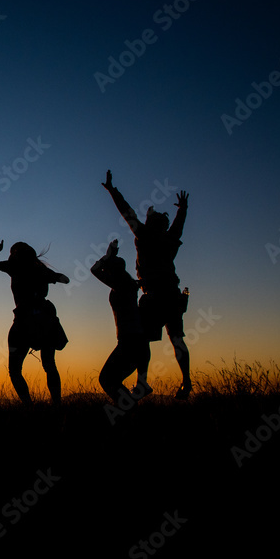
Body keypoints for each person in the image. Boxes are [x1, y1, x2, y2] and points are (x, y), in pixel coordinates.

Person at [102, 170, 191, 399]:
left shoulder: (144, 235)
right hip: (172, 295)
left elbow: (126, 212)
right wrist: (182, 209)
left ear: (150, 223)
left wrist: (113, 190)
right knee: (177, 339)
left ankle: (142, 382)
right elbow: (178, 226)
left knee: (142, 339)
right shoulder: (169, 240)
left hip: (153, 296)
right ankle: (186, 381)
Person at [0, 236, 69, 405]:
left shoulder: (13, 266)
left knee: (14, 369)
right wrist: (53, 276)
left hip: (23, 323)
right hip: (46, 321)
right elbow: (65, 279)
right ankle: (56, 404)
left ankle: (28, 405)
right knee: (49, 364)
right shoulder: (40, 270)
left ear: (15, 255)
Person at [91, 239, 147, 408]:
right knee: (112, 380)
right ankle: (129, 409)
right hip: (135, 340)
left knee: (107, 379)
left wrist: (107, 256)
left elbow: (94, 269)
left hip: (129, 340)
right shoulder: (128, 284)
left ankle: (127, 408)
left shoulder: (120, 284)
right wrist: (110, 256)